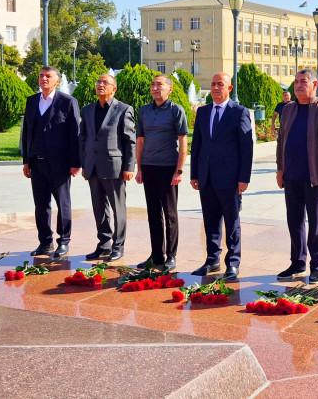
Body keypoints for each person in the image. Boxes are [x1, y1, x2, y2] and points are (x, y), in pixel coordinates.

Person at [276, 69, 318, 283]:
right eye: (296, 82)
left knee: (316, 223)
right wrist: (280, 169)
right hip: (292, 175)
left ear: (314, 84)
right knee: (294, 221)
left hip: (316, 177)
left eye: (303, 81)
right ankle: (297, 262)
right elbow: (280, 140)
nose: (298, 85)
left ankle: (317, 265)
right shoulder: (289, 109)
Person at [190, 72, 253, 280]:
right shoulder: (203, 112)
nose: (216, 88)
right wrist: (195, 174)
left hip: (230, 178)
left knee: (232, 222)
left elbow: (247, 147)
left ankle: (233, 262)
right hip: (206, 176)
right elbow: (197, 145)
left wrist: (244, 178)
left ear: (229, 88)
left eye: (220, 84)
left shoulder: (239, 112)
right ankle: (212, 260)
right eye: (213, 84)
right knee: (210, 222)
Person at [21, 66, 81, 259]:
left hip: (60, 164)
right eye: (41, 76)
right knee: (41, 205)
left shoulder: (68, 102)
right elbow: (26, 132)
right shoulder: (31, 101)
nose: (44, 79)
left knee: (63, 204)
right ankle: (44, 242)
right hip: (36, 163)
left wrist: (75, 162)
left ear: (57, 80)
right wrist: (26, 160)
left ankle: (63, 242)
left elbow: (75, 134)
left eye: (48, 76)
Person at [79, 74, 136, 262]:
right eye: (98, 82)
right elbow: (83, 138)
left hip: (115, 167)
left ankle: (118, 246)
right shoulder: (87, 110)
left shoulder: (124, 109)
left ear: (114, 89)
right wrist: (84, 163)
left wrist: (129, 166)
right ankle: (103, 244)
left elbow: (130, 141)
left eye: (105, 83)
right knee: (98, 207)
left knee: (117, 207)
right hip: (93, 166)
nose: (100, 85)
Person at [134, 74, 189, 271]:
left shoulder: (176, 110)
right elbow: (140, 140)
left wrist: (179, 170)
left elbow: (183, 141)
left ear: (170, 89)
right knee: (153, 214)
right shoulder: (144, 110)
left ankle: (171, 255)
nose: (155, 88)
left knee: (170, 214)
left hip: (168, 168)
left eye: (160, 84)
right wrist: (139, 168)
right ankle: (156, 255)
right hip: (148, 167)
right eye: (153, 84)